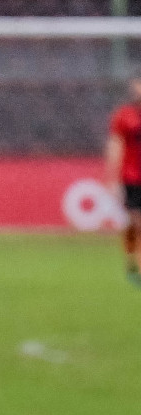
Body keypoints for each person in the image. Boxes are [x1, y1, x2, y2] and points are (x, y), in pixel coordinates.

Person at [104, 77, 141, 286]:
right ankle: (132, 263)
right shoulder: (124, 116)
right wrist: (112, 177)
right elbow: (116, 145)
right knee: (135, 221)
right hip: (132, 177)